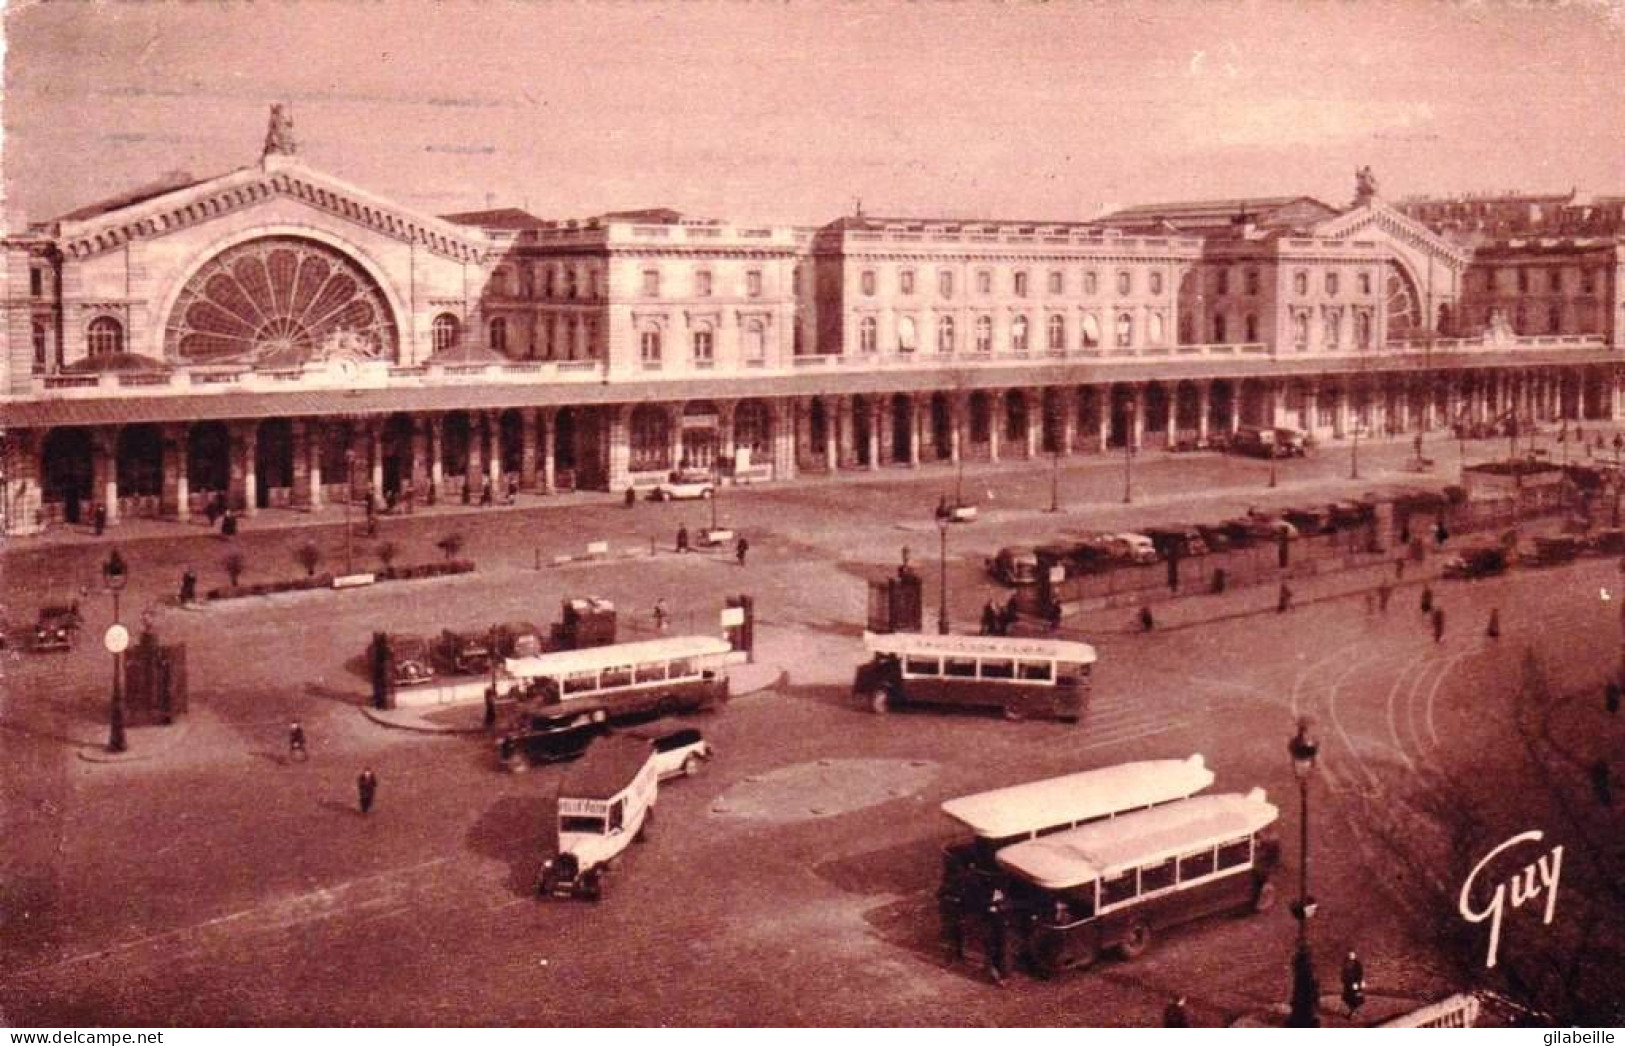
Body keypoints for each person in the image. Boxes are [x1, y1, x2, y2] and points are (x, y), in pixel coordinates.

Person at [984, 887, 1011, 986]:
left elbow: (1012, 905)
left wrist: (999, 908)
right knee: (990, 948)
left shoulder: (1008, 894)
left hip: (1003, 925)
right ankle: (993, 972)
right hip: (990, 923)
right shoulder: (989, 892)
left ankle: (1003, 975)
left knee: (1003, 950)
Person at [1341, 951, 1366, 1017]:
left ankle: (1353, 1011)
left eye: (1352, 955)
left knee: (1356, 997)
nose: (1351, 956)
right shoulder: (1345, 963)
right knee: (1347, 998)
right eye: (1350, 955)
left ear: (1355, 956)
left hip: (1355, 984)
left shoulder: (1358, 964)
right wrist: (1343, 980)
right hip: (1347, 984)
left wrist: (1357, 983)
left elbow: (1360, 974)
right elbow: (1343, 973)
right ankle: (1354, 1010)